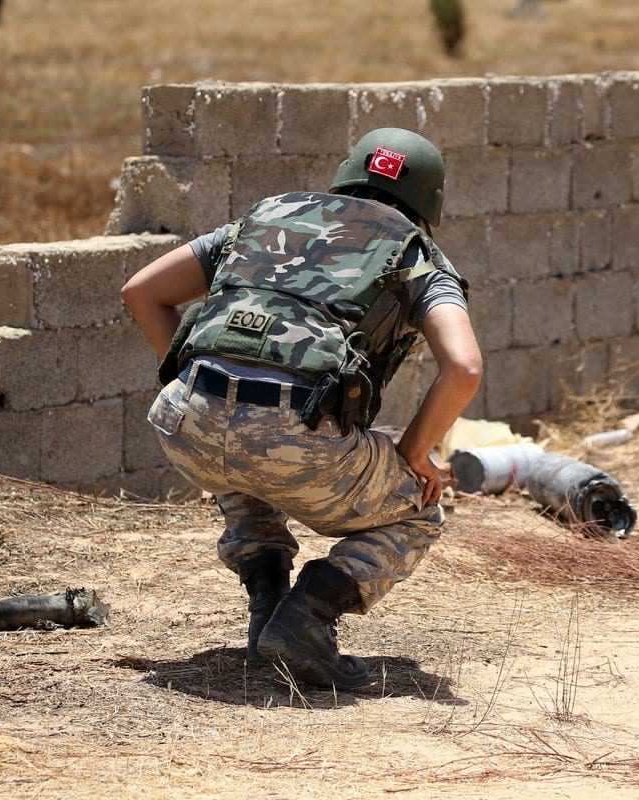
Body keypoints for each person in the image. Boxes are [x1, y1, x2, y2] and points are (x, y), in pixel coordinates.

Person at [121, 128, 483, 690]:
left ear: (346, 174)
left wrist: (199, 386)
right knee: (419, 508)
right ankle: (307, 616)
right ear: (430, 201)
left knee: (242, 463)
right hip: (295, 433)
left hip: (184, 423)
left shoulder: (267, 216)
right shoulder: (416, 255)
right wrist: (416, 454)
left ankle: (267, 605)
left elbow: (141, 292)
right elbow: (463, 368)